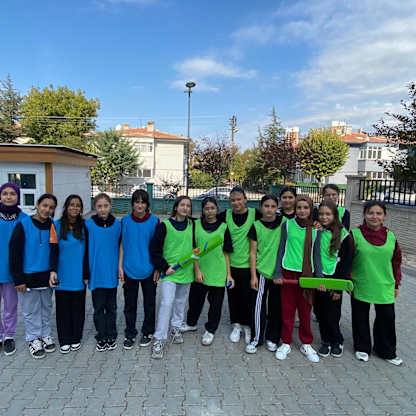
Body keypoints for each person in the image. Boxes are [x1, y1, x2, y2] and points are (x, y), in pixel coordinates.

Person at [350, 200, 403, 365]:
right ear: (364, 215)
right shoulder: (354, 235)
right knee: (360, 317)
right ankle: (362, 347)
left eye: (378, 213)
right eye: (370, 213)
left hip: (385, 284)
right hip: (361, 283)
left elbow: (396, 262)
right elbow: (347, 260)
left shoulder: (391, 236)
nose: (374, 216)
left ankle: (386, 350)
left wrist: (396, 284)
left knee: (386, 318)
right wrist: (348, 281)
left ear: (384, 216)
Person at [9, 193, 58, 359]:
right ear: (37, 205)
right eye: (44, 205)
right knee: (30, 310)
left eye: (51, 207)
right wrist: (18, 279)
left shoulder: (52, 225)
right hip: (28, 277)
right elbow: (14, 254)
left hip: (46, 276)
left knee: (46, 307)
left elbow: (54, 250)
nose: (47, 210)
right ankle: (33, 338)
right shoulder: (23, 225)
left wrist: (54, 270)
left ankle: (45, 334)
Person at [181, 197, 234, 346]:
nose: (210, 211)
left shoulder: (224, 227)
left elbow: (226, 253)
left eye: (212, 208)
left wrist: (229, 275)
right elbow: (193, 250)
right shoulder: (196, 225)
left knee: (215, 305)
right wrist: (197, 270)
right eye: (206, 208)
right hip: (200, 272)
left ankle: (210, 330)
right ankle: (191, 324)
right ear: (202, 210)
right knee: (195, 301)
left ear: (217, 209)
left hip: (218, 272)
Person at [273, 195, 319, 363]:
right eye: (299, 207)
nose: (302, 210)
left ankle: (306, 343)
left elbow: (317, 255)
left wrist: (319, 278)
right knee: (288, 310)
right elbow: (281, 249)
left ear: (311, 209)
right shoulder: (287, 225)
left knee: (305, 311)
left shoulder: (316, 229)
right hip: (288, 272)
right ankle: (286, 342)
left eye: (306, 208)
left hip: (307, 274)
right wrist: (278, 273)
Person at [150, 196, 194, 359]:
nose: (185, 208)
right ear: (176, 207)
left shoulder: (193, 224)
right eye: (182, 205)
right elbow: (155, 249)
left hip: (186, 271)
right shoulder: (165, 226)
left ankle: (176, 327)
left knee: (181, 301)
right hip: (170, 272)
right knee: (167, 303)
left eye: (188, 205)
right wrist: (163, 267)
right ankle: (159, 339)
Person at [218, 186, 261, 344]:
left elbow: (274, 221)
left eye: (239, 199)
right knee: (233, 296)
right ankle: (236, 325)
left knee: (249, 298)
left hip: (250, 265)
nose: (236, 203)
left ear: (245, 200)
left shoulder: (255, 214)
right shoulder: (225, 215)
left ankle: (248, 326)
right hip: (231, 264)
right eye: (233, 200)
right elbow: (207, 220)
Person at [119, 189, 159, 350]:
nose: (140, 205)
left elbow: (159, 247)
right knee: (130, 305)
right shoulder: (125, 221)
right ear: (132, 204)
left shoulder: (154, 221)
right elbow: (121, 245)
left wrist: (158, 268)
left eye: (143, 202)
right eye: (137, 202)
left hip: (149, 270)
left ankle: (148, 332)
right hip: (129, 269)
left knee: (150, 304)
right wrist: (120, 266)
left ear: (147, 204)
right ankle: (130, 333)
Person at [246, 194, 285, 354]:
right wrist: (253, 275)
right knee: (258, 307)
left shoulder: (284, 222)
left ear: (277, 208)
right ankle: (256, 339)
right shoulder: (256, 226)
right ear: (261, 207)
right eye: (266, 206)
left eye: (273, 206)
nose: (269, 209)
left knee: (276, 307)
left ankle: (273, 338)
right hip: (262, 272)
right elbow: (252, 252)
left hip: (279, 273)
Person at [313, 200, 352, 358]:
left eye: (328, 214)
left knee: (333, 313)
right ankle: (325, 341)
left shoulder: (344, 235)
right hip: (319, 277)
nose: (324, 217)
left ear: (335, 215)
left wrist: (338, 288)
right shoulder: (316, 230)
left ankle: (337, 340)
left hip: (335, 279)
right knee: (320, 312)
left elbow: (346, 262)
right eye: (321, 214)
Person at [85, 193, 121, 352]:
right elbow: (85, 249)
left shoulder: (117, 225)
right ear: (95, 207)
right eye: (99, 206)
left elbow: (121, 247)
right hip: (96, 274)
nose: (103, 209)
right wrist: (86, 272)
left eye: (105, 206)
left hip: (111, 273)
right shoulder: (89, 224)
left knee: (111, 308)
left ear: (110, 206)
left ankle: (111, 335)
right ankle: (101, 336)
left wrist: (119, 268)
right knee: (98, 308)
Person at [54, 195, 88, 354]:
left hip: (78, 275)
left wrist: (86, 273)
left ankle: (76, 338)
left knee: (78, 309)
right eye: (72, 205)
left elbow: (87, 252)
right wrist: (52, 271)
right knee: (62, 310)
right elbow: (52, 250)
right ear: (66, 207)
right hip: (62, 275)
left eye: (78, 205)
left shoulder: (84, 226)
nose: (75, 208)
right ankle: (64, 339)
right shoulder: (56, 225)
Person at [0, 182, 27, 356]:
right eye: (5, 193)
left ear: (18, 197)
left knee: (10, 306)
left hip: (11, 271)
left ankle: (9, 335)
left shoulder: (23, 219)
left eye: (12, 194)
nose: (8, 197)